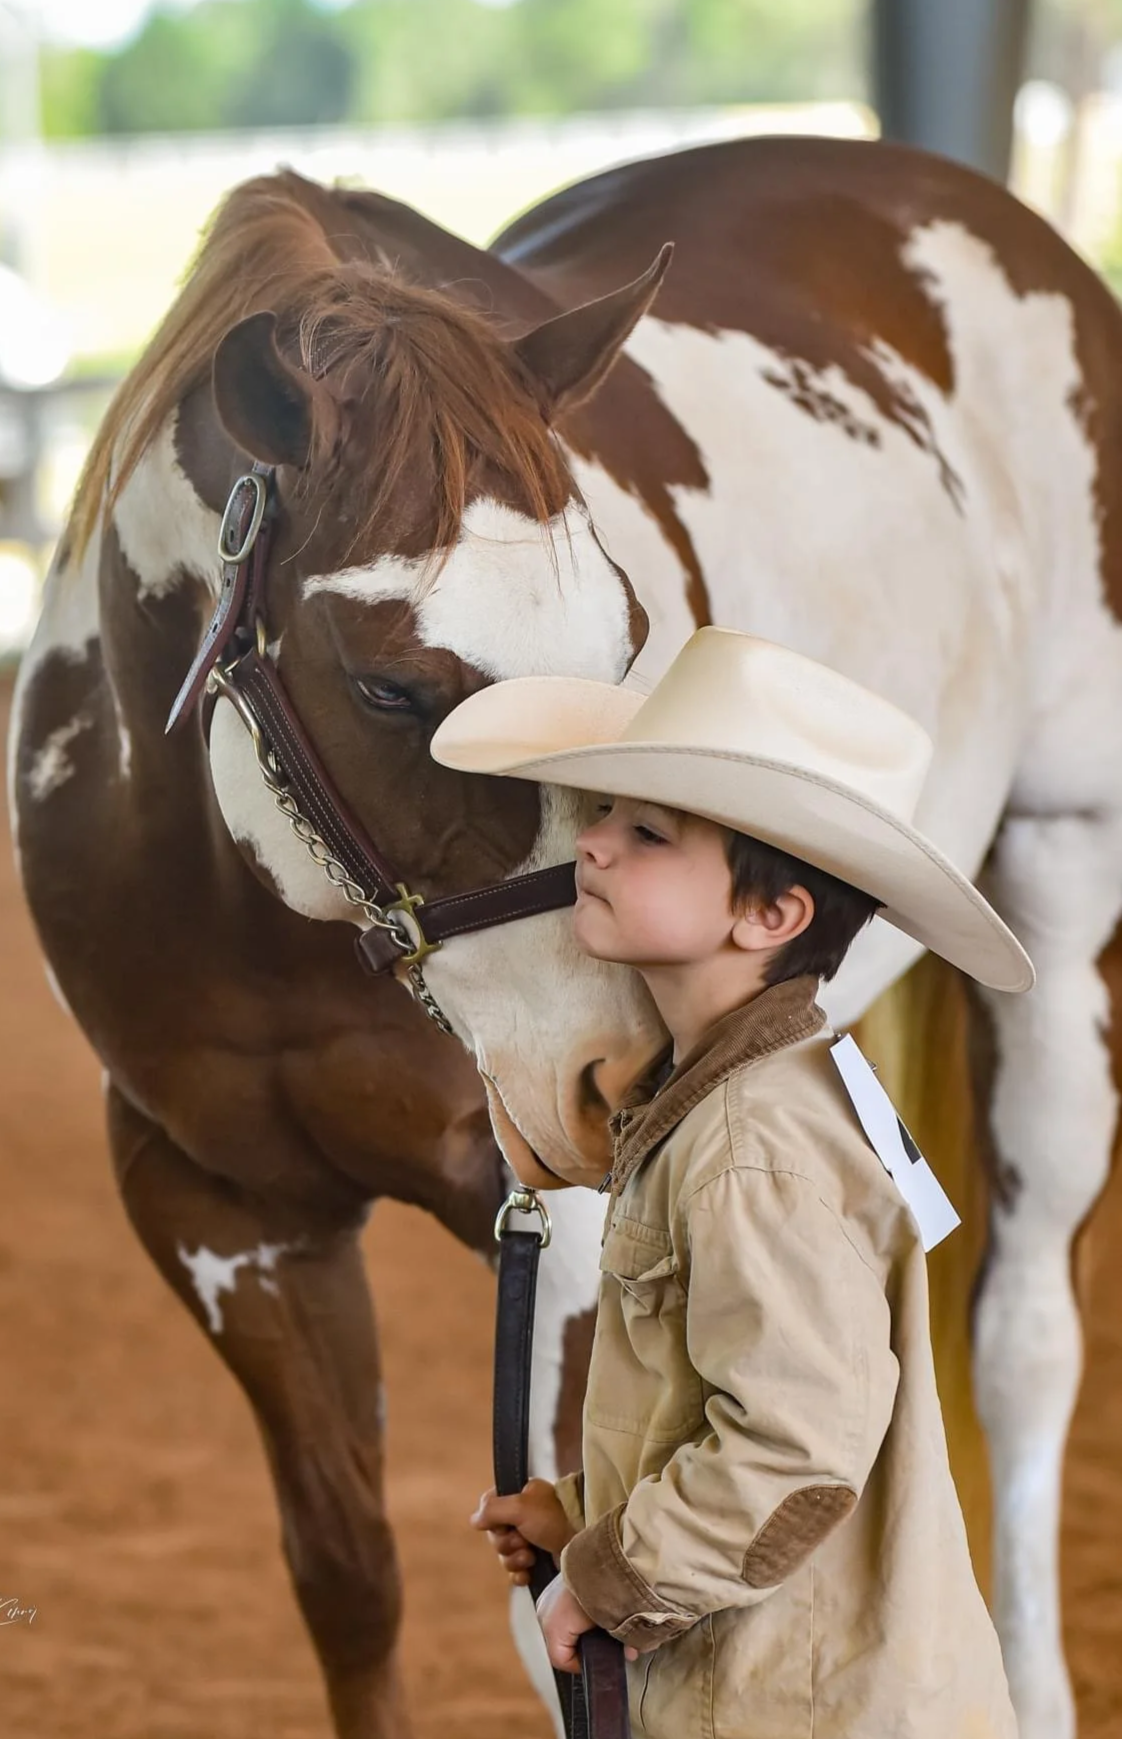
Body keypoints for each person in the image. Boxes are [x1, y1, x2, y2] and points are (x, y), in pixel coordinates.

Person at [429, 628, 1032, 1739]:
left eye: (647, 832)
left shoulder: (754, 1140)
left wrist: (604, 1580)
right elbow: (736, 1390)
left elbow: (792, 1449)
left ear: (770, 915)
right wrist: (585, 1512)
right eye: (607, 815)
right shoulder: (760, 1087)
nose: (595, 844)